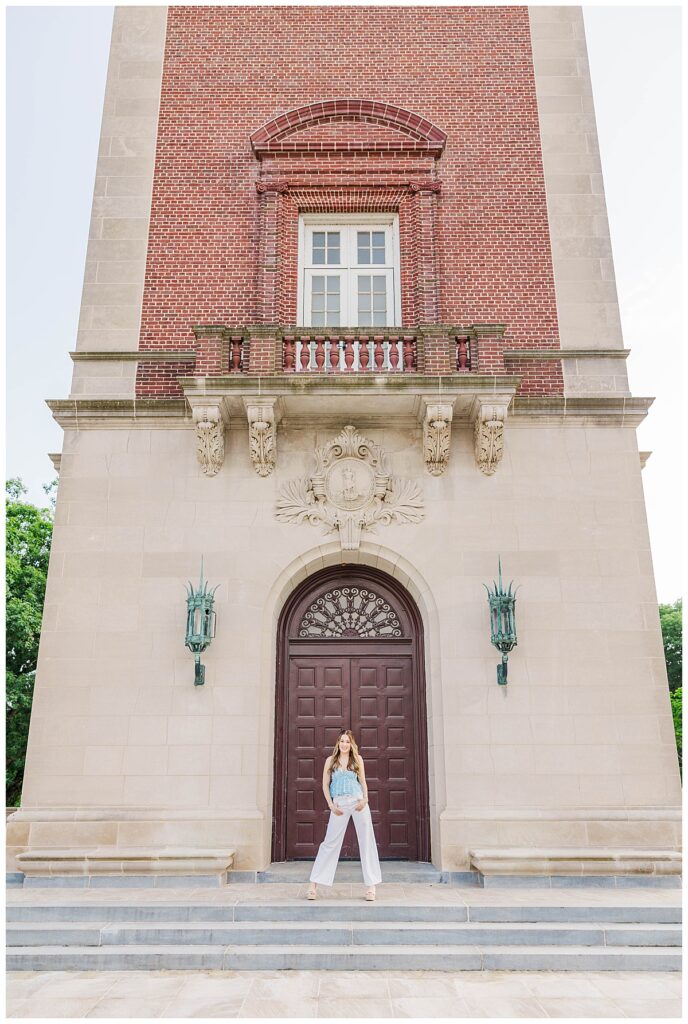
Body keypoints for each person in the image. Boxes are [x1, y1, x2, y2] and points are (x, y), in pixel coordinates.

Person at [306, 729, 382, 901]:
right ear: (338, 743)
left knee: (366, 841)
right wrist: (331, 805)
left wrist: (365, 800)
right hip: (339, 804)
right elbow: (325, 785)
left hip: (358, 803)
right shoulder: (330, 761)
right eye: (342, 741)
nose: (345, 744)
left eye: (348, 741)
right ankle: (313, 884)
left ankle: (371, 887)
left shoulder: (357, 760)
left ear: (351, 744)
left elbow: (362, 781)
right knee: (329, 843)